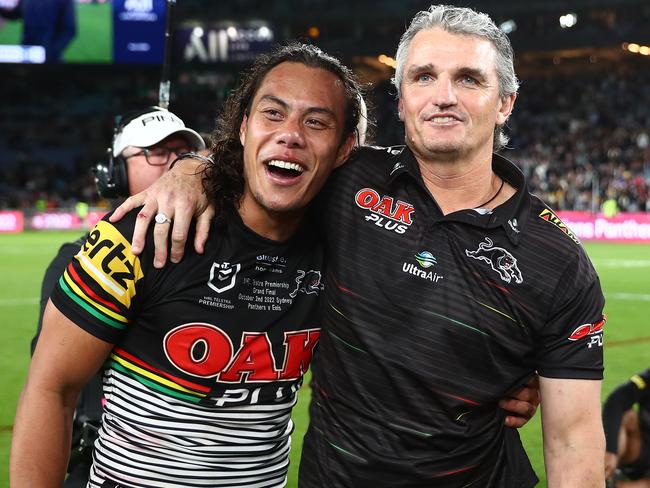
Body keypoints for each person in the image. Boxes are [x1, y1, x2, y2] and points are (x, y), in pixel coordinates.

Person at [107, 6, 608, 484]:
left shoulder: (557, 260)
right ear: (401, 96)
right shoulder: (344, 182)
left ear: (505, 103)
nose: (444, 96)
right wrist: (192, 168)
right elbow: (261, 161)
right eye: (424, 76)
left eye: (469, 79)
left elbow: (574, 443)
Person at [10, 43, 362, 488]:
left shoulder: (343, 245)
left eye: (316, 122)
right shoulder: (137, 236)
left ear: (345, 146)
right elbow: (51, 389)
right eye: (273, 113)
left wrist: (195, 165)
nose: (291, 133)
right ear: (243, 126)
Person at [29, 106, 206, 487]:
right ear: (115, 174)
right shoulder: (76, 260)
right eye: (156, 152)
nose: (174, 164)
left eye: (183, 153)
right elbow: (50, 388)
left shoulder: (221, 252)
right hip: (99, 468)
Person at [603, 369, 650, 487]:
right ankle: (607, 470)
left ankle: (615, 485)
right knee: (627, 416)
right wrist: (610, 449)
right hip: (641, 446)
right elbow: (617, 398)